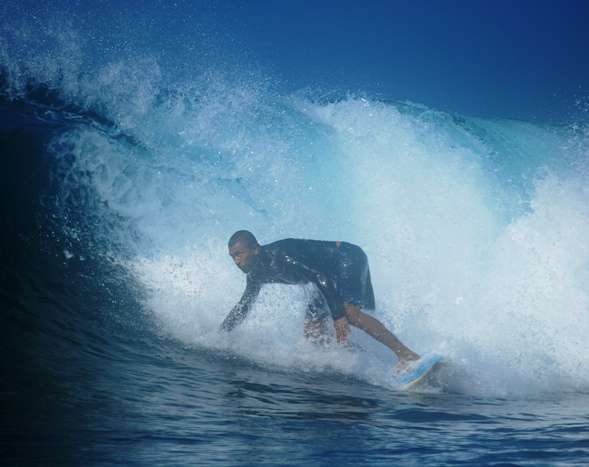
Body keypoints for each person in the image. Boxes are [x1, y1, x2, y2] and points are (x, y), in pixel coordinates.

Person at [221, 230, 420, 367]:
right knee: (312, 332)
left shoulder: (280, 256)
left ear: (256, 249)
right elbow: (244, 305)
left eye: (239, 254)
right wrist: (220, 335)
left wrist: (338, 315)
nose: (236, 261)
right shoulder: (256, 275)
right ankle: (362, 362)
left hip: (347, 258)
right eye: (232, 257)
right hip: (325, 277)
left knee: (349, 314)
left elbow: (320, 277)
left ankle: (407, 356)